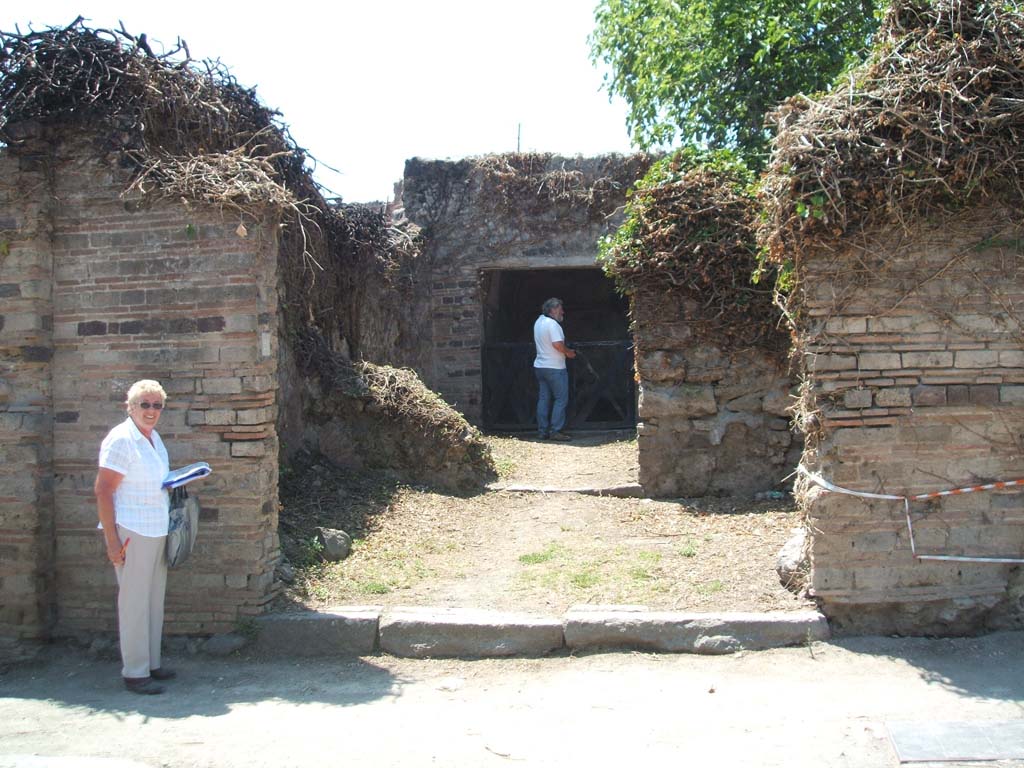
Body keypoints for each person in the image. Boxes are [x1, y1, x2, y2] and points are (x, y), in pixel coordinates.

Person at [94, 379, 175, 695]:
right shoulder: (121, 439)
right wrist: (112, 541)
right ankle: (135, 673)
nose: (151, 411)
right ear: (130, 407)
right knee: (134, 603)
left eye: (157, 405)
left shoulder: (153, 438)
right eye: (145, 404)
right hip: (132, 530)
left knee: (153, 600)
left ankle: (152, 664)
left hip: (156, 527)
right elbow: (103, 490)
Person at [533, 297, 576, 441]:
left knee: (544, 399)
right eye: (560, 309)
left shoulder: (539, 322)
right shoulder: (552, 325)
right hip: (555, 367)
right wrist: (568, 352)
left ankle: (542, 431)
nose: (562, 312)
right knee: (561, 399)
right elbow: (557, 344)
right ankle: (556, 431)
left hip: (540, 366)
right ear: (552, 310)